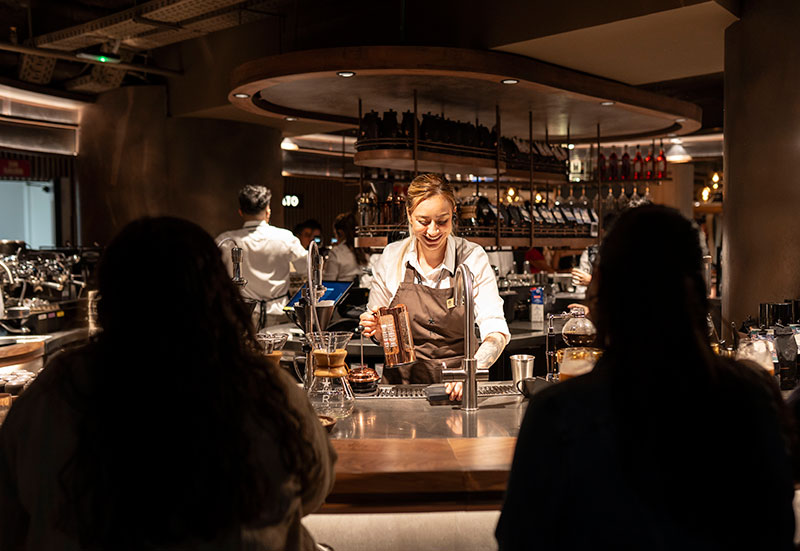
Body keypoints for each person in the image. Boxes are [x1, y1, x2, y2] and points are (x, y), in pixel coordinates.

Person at [0, 217, 336, 551]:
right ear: (216, 295)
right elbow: (315, 487)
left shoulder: (60, 389)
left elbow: (11, 517)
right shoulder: (264, 387)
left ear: (111, 300)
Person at [496, 205, 796, 551]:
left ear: (601, 297)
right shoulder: (751, 397)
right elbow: (777, 534)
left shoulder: (558, 414)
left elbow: (519, 541)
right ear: (700, 294)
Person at [360, 173, 510, 400]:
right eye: (423, 221)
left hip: (458, 389)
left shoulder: (472, 257)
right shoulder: (392, 257)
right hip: (402, 389)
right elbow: (382, 331)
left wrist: (470, 371)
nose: (433, 231)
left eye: (442, 221)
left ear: (454, 215)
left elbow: (496, 331)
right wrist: (379, 332)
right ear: (409, 216)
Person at [217, 185, 307, 328]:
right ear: (268, 211)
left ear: (240, 212)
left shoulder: (226, 240)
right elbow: (308, 269)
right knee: (278, 350)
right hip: (278, 314)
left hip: (242, 314)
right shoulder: (284, 237)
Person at [323, 212, 368, 284]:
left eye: (335, 234)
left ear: (340, 232)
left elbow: (328, 282)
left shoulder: (336, 252)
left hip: (343, 293)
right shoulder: (364, 250)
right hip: (363, 293)